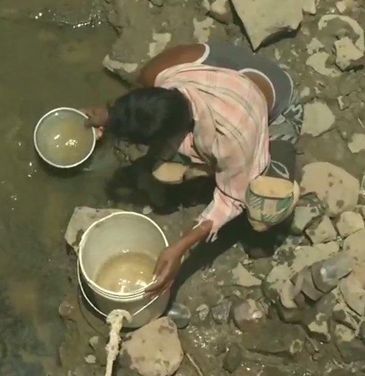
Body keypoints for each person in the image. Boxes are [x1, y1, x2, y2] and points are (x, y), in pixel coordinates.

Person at [82, 42, 304, 297]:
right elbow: (141, 102)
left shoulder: (232, 138)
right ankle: (210, 168)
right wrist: (111, 116)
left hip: (274, 111)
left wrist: (181, 246)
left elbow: (231, 200)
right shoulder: (160, 73)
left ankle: (284, 169)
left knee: (262, 210)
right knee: (165, 166)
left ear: (179, 131)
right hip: (227, 82)